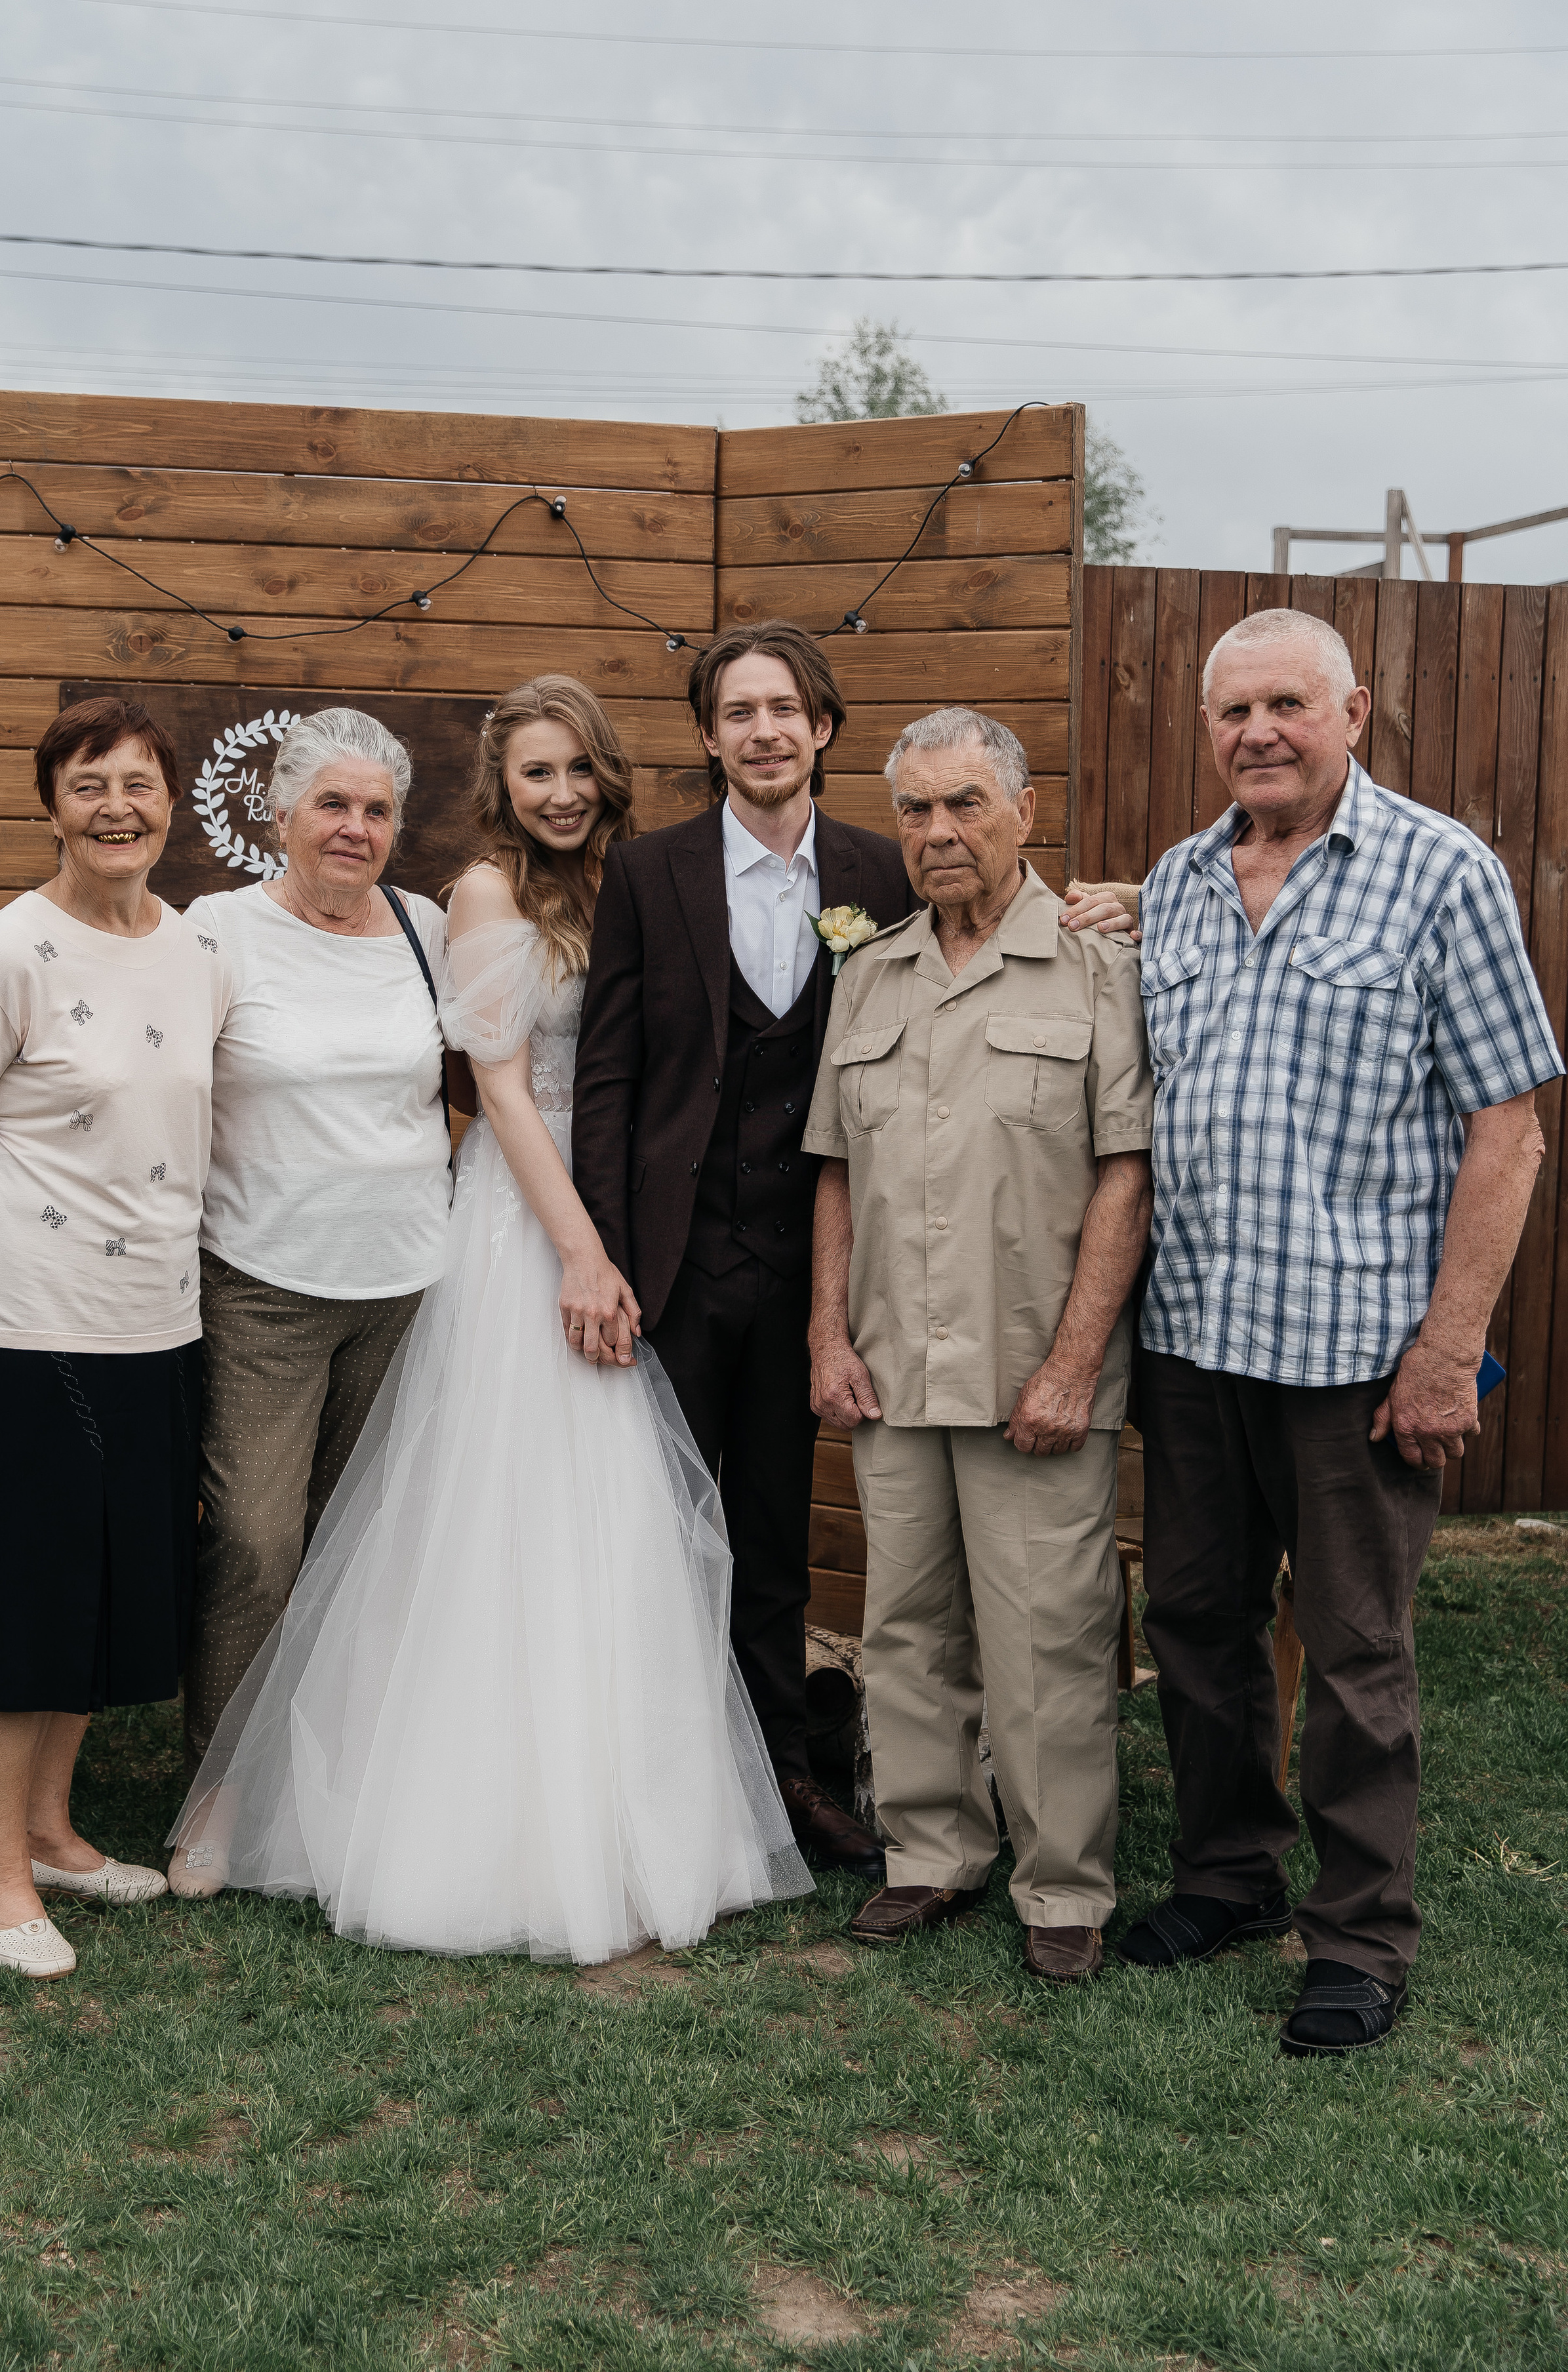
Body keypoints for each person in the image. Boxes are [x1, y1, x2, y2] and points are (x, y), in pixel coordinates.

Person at [167, 676, 812, 1962]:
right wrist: (578, 1251)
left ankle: (612, 1798)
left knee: (602, 1517)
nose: (561, 794)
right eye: (535, 774)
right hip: (526, 1228)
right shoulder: (480, 893)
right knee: (460, 1516)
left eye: (577, 769)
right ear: (500, 791)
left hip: (609, 1223)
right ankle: (327, 1798)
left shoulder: (630, 881)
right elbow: (504, 1093)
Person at [1119, 607, 1563, 2056]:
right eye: (1233, 710)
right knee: (1195, 1621)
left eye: (1287, 705)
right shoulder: (1179, 883)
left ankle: (1360, 1935)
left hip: (1355, 1354)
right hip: (1192, 1336)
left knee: (1357, 1647)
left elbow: (1508, 1129)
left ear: (1352, 712)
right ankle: (1226, 1878)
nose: (1258, 731)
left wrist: (1446, 1350)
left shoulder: (1441, 872)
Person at [0, 707, 472, 1870]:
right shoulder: (216, 933)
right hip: (259, 1282)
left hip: (407, 1281)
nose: (354, 829)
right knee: (251, 1542)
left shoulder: (426, 929)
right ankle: (221, 1793)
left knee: (363, 1543)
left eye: (377, 810)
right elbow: (131, 1063)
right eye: (330, 805)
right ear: (278, 814)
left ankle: (334, 1786)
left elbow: (481, 1079)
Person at [803, 708, 1155, 1980]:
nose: (938, 830)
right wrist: (826, 1333)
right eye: (915, 809)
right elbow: (835, 1169)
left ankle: (1063, 1888)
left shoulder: (1096, 966)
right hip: (892, 1368)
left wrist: (1073, 1365)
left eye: (964, 803)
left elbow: (1126, 1173)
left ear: (1023, 813)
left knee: (1048, 1637)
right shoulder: (871, 973)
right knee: (904, 1627)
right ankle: (928, 1854)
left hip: (1030, 1374)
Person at [0, 698, 230, 1979]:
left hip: (157, 1320)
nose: (116, 809)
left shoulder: (197, 951)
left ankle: (49, 1832)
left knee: (103, 1588)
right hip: (27, 1320)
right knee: (26, 1595)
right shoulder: (3, 959)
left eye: (138, 785)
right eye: (89, 786)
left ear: (172, 804)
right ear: (51, 808)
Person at [571, 620, 914, 1881]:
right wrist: (607, 1258)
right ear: (709, 739)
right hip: (670, 1268)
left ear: (822, 728)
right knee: (659, 1534)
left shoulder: (883, 873)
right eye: (738, 713)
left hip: (810, 1273)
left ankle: (780, 1783)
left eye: (784, 710)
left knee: (774, 1535)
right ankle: (652, 1786)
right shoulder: (647, 872)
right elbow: (609, 1079)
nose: (763, 732)